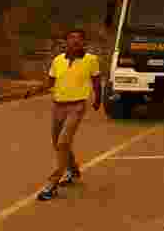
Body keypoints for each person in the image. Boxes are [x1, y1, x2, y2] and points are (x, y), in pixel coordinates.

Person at [37, 28, 102, 201]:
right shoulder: (58, 60)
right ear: (65, 42)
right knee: (58, 142)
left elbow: (96, 81)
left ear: (84, 42)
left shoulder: (91, 60)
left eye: (78, 38)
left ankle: (52, 184)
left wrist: (98, 99)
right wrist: (35, 89)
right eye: (71, 38)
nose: (74, 41)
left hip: (77, 106)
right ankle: (72, 170)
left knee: (63, 141)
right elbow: (50, 82)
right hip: (58, 106)